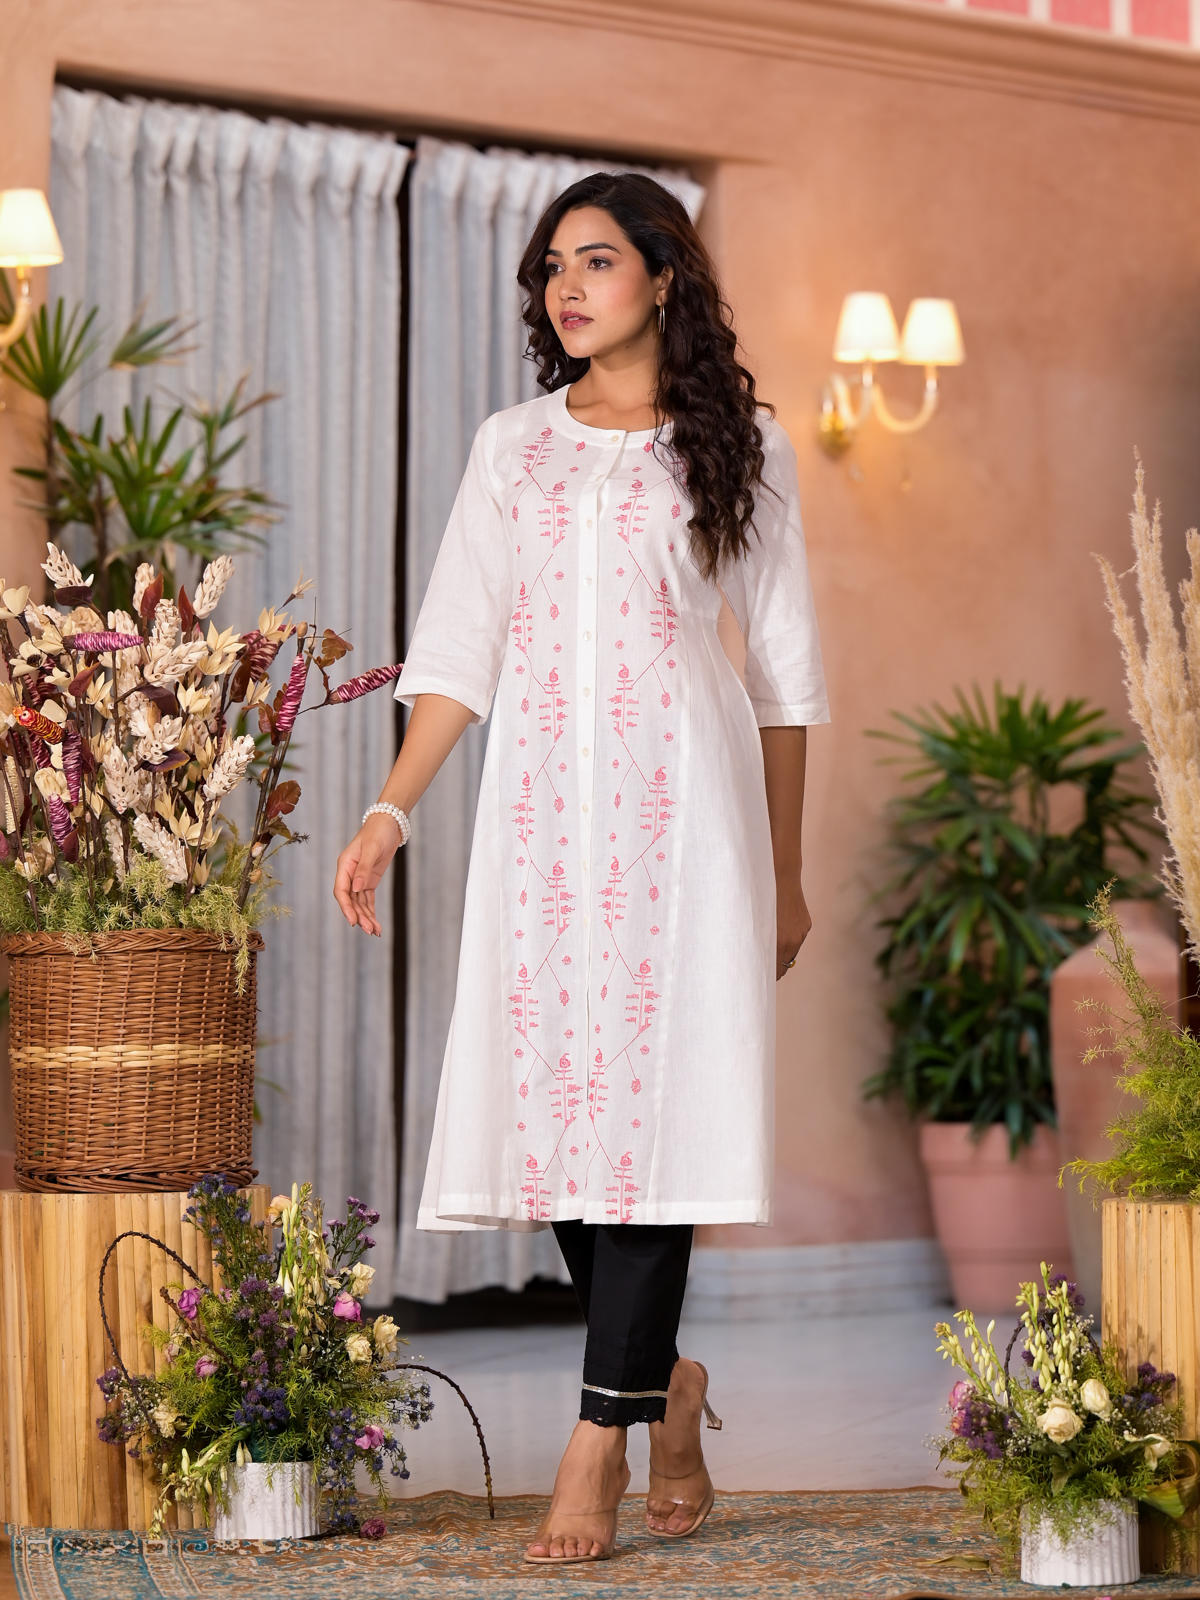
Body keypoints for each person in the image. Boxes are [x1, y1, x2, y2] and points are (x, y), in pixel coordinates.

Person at [334, 171, 830, 1565]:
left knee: (656, 1120)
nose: (566, 286)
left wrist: (787, 873)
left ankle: (598, 1438)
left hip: (693, 826)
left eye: (597, 260)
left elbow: (787, 679)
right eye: (553, 265)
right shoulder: (514, 449)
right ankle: (666, 1386)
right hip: (543, 831)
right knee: (561, 1122)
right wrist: (388, 813)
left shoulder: (743, 447)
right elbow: (457, 649)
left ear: (664, 276)